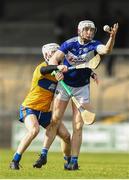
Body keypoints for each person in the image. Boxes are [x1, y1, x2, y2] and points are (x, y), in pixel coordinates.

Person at [47, 20, 118, 170]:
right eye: (86, 29)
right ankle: (44, 154)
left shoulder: (94, 44)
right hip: (64, 85)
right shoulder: (69, 43)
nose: (89, 32)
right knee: (55, 119)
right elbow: (54, 59)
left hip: (82, 88)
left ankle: (74, 161)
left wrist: (112, 37)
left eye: (92, 30)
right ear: (79, 31)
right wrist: (57, 69)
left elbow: (106, 50)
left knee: (78, 126)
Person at [9, 43, 71, 170]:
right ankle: (15, 160)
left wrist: (62, 77)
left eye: (58, 52)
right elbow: (45, 70)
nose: (57, 55)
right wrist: (59, 68)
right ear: (47, 55)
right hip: (30, 108)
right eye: (53, 52)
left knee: (66, 135)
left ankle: (68, 162)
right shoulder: (41, 68)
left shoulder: (59, 73)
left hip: (46, 112)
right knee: (34, 130)